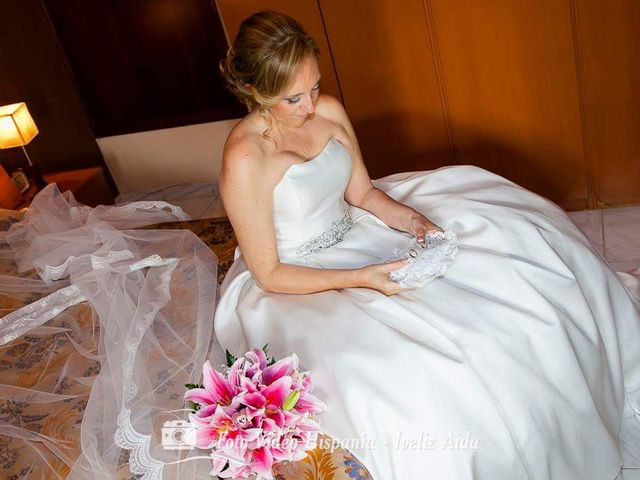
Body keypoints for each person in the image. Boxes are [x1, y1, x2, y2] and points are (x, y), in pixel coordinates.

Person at [214, 10, 640, 479]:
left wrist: (416, 224)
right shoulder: (245, 158)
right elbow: (269, 273)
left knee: (512, 264)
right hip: (298, 278)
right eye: (293, 98)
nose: (311, 107)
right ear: (256, 93)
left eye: (314, 86)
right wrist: (365, 279)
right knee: (419, 368)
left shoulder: (329, 111)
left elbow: (362, 193)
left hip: (355, 229)